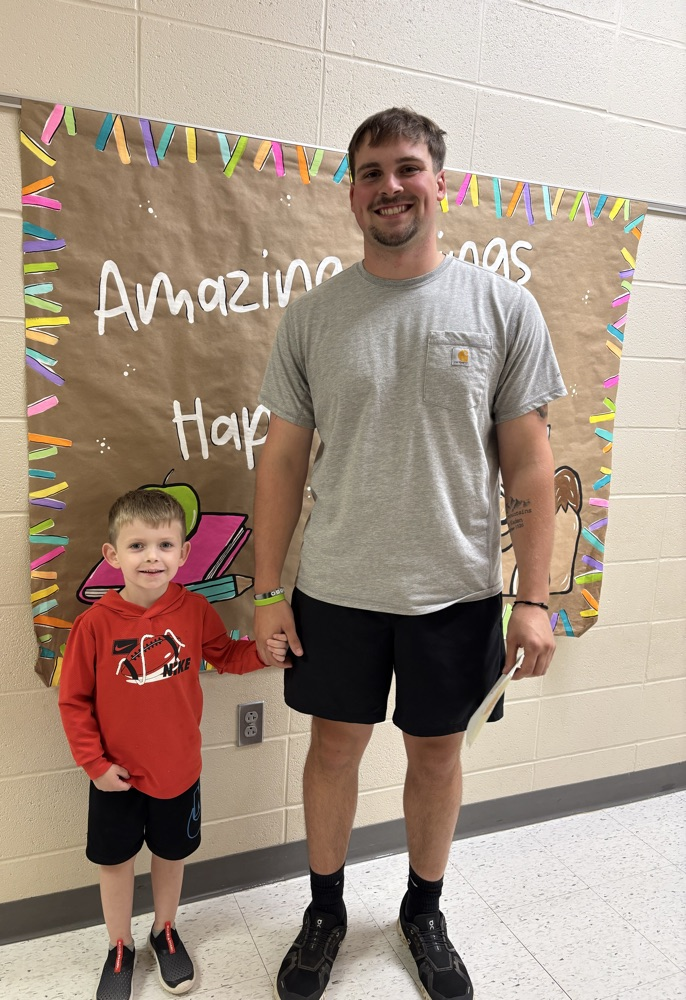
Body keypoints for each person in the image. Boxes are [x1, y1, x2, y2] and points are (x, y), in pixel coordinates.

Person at [253, 107, 566, 1000]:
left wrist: (534, 598)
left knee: (436, 758)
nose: (389, 187)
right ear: (351, 193)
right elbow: (279, 459)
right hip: (339, 587)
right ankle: (324, 912)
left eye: (406, 168)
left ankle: (423, 911)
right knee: (334, 749)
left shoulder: (502, 308)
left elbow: (531, 465)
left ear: (441, 182)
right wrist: (267, 589)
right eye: (370, 173)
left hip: (456, 591)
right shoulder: (314, 316)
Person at [59, 488, 288, 1000]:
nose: (152, 557)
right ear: (112, 555)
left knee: (171, 853)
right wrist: (93, 764)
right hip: (114, 776)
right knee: (115, 861)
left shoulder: (194, 609)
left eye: (164, 545)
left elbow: (227, 655)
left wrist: (267, 655)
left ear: (184, 553)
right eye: (137, 546)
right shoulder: (92, 626)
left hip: (178, 770)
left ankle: (165, 930)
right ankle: (119, 947)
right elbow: (73, 702)